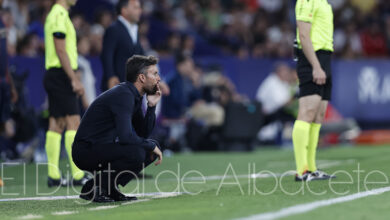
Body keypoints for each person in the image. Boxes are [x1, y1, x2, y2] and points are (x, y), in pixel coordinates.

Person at [72, 55, 163, 203]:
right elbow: (126, 137)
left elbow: (142, 134)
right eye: (155, 74)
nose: (158, 79)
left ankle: (109, 187)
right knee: (138, 151)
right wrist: (150, 145)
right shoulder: (124, 96)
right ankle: (94, 187)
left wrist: (151, 107)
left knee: (148, 148)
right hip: (85, 150)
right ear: (141, 77)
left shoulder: (132, 95)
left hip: (101, 147)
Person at [43, 0, 88, 187]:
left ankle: (53, 175)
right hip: (61, 75)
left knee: (57, 124)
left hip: (56, 74)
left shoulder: (57, 14)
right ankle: (78, 175)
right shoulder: (59, 15)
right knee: (73, 122)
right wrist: (74, 78)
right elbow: (60, 49)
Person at [293, 0, 335, 181]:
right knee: (307, 112)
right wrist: (316, 66)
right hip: (312, 59)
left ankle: (311, 168)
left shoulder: (325, 3)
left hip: (325, 57)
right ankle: (301, 170)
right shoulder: (306, 0)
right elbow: (303, 35)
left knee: (318, 114)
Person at [100, 0, 144, 91]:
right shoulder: (113, 29)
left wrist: (154, 77)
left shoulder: (134, 30)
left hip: (133, 87)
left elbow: (141, 57)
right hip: (116, 86)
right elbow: (107, 55)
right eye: (136, 8)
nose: (140, 11)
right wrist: (110, 76)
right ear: (124, 10)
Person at [0, 0, 18, 187]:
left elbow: (3, 57)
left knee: (3, 124)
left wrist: (11, 84)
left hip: (3, 82)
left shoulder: (2, 23)